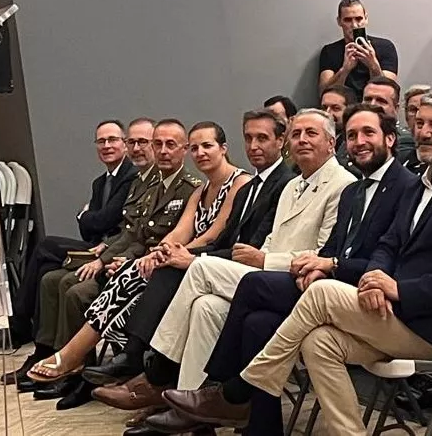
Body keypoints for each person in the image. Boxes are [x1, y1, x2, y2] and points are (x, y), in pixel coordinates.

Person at [165, 87, 432, 436]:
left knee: (321, 293)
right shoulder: (422, 182)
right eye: (420, 122)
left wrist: (400, 290)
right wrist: (376, 276)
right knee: (319, 342)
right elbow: (389, 244)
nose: (423, 132)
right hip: (392, 310)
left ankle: (236, 391)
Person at [179, 105, 417, 435]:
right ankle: (260, 427)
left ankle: (226, 389)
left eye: (368, 133)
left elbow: (389, 259)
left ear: (391, 138)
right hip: (325, 285)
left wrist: (330, 266)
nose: (359, 142)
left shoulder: (407, 187)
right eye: (353, 135)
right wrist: (322, 267)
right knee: (257, 323)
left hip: (366, 296)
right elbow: (331, 248)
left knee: (251, 284)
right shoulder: (353, 191)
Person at [138, 109, 354, 413]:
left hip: (297, 281)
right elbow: (270, 239)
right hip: (263, 273)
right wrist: (259, 257)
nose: (302, 139)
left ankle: (158, 369)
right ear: (288, 142)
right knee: (205, 307)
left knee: (199, 268)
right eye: (297, 134)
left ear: (331, 142)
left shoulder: (343, 184)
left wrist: (264, 259)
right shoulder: (292, 185)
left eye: (311, 133)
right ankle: (189, 407)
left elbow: (322, 253)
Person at [26, 121, 242, 403]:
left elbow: (212, 235)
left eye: (207, 146)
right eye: (196, 147)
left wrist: (168, 254)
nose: (201, 152)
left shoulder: (236, 183)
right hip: (185, 261)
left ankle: (116, 361)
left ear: (223, 148)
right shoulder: (199, 192)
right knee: (129, 273)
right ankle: (97, 361)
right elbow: (179, 231)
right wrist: (161, 251)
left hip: (209, 264)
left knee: (132, 277)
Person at [87, 112, 294, 404]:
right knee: (198, 301)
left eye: (262, 138)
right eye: (249, 138)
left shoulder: (274, 183)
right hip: (229, 265)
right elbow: (220, 239)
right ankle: (181, 402)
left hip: (256, 270)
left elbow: (242, 245)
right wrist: (169, 251)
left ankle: (148, 368)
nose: (254, 145)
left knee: (171, 272)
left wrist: (190, 257)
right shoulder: (250, 187)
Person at [8, 117, 153, 375]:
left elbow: (110, 221)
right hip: (100, 247)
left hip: (115, 253)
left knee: (47, 249)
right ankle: (45, 351)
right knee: (49, 276)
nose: (107, 146)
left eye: (113, 140)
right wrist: (89, 220)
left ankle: (50, 345)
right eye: (101, 141)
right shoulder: (101, 182)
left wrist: (87, 219)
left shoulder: (132, 177)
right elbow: (89, 227)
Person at [317, 0, 398, 97]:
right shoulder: (330, 51)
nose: (354, 25)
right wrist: (345, 69)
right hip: (342, 109)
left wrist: (372, 64)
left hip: (375, 109)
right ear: (339, 21)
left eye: (359, 19)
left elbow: (389, 94)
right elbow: (324, 95)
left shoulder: (386, 47)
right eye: (348, 20)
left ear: (366, 19)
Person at [363, 76, 414, 167]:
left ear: (396, 108)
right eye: (368, 99)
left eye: (381, 101)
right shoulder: (352, 135)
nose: (372, 105)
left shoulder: (405, 141)